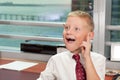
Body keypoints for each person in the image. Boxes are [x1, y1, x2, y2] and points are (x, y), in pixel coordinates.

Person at [37, 10, 106, 80]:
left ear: (90, 35)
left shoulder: (99, 60)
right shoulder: (56, 60)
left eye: (76, 29)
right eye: (66, 28)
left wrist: (87, 58)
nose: (69, 32)